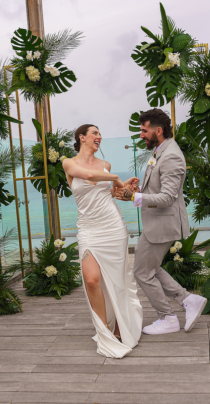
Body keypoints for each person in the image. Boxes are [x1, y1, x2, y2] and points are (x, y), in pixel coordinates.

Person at [116, 109, 207, 335]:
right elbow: (160, 188)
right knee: (150, 269)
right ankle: (187, 300)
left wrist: (134, 197)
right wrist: (141, 189)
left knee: (142, 272)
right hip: (157, 224)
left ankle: (167, 317)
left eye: (144, 130)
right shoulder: (161, 149)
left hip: (162, 225)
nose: (141, 135)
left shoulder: (172, 155)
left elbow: (167, 198)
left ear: (158, 130)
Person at [62, 124, 143, 358]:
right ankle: (104, 331)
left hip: (113, 227)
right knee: (91, 280)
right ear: (82, 137)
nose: (99, 137)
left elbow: (112, 195)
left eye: (100, 134)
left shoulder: (105, 166)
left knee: (117, 280)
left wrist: (125, 189)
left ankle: (119, 328)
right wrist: (117, 177)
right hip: (88, 229)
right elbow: (87, 176)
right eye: (94, 133)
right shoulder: (69, 163)